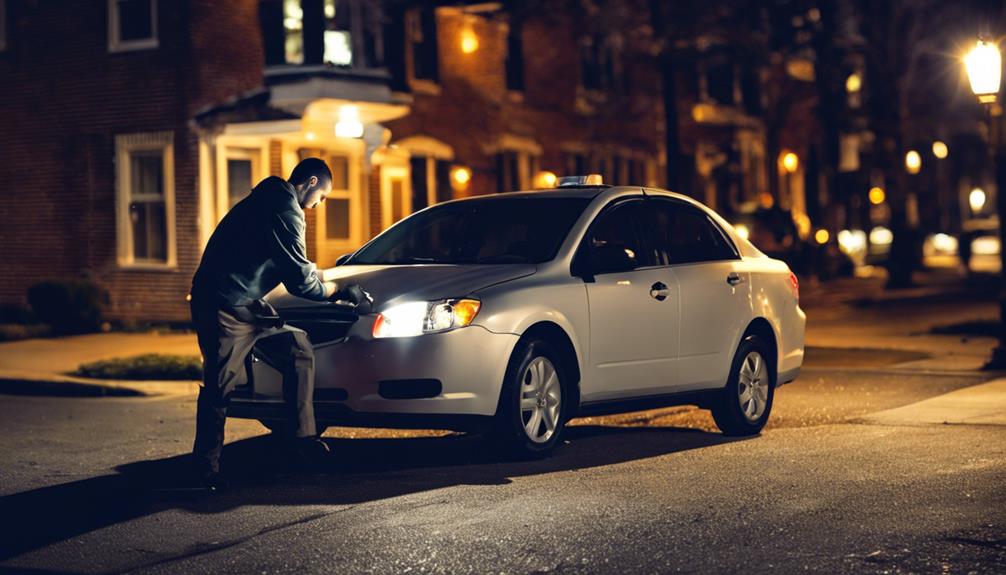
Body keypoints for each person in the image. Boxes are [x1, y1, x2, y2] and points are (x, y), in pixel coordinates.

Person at [189, 157, 365, 488]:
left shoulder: (270, 199)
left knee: (297, 347)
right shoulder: (284, 209)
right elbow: (301, 283)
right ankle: (203, 471)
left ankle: (300, 441)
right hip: (222, 304)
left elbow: (293, 265)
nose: (319, 205)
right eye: (322, 196)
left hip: (249, 305)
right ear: (311, 183)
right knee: (219, 387)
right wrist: (339, 290)